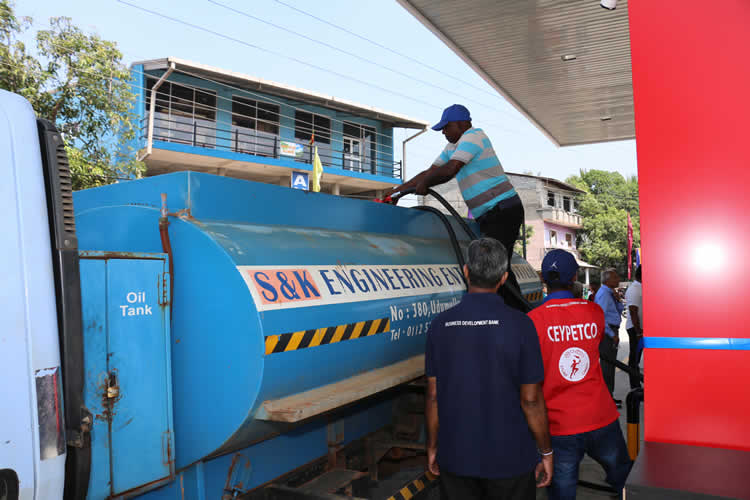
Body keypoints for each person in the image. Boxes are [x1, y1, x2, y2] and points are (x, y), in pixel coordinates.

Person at [425, 237, 553, 500]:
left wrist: (433, 446)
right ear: (504, 277)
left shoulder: (440, 326)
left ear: (466, 272)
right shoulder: (521, 325)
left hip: (457, 458)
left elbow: (434, 396)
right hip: (511, 461)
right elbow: (530, 400)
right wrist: (546, 452)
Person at [385, 104, 526, 309]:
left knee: (492, 268)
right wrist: (397, 192)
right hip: (491, 214)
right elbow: (429, 172)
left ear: (461, 124)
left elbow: (450, 170)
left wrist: (425, 185)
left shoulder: (473, 136)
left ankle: (518, 317)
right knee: (495, 267)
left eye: (446, 127)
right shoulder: (454, 146)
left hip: (503, 210)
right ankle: (516, 315)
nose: (443, 132)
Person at [528, 250, 633, 500]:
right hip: (600, 417)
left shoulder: (532, 321)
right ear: (574, 276)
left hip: (559, 425)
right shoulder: (593, 313)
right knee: (626, 482)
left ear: (544, 278)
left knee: (562, 493)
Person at [594, 268, 624, 407]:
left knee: (610, 366)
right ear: (607, 280)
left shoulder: (610, 293)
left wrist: (618, 300)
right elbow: (601, 317)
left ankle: (609, 395)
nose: (618, 279)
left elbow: (617, 311)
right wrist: (612, 335)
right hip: (608, 333)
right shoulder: (604, 294)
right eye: (615, 277)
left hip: (612, 330)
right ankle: (607, 398)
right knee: (607, 367)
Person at [625, 265, 643, 389]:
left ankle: (636, 382)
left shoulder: (640, 288)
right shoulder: (635, 289)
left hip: (640, 328)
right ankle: (635, 385)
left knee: (636, 358)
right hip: (635, 329)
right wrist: (638, 332)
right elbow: (633, 311)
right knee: (634, 359)